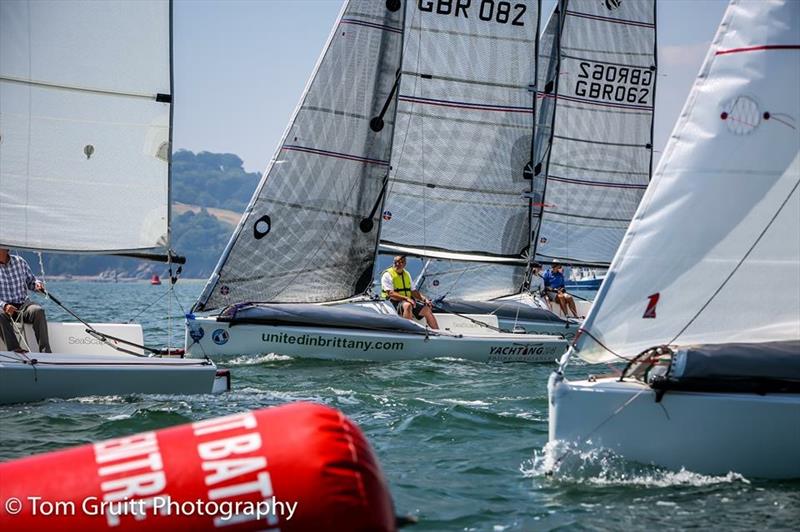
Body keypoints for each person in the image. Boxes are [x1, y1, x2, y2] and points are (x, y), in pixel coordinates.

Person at [0, 248, 51, 352]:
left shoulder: (20, 261)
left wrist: (37, 285)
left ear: (6, 249)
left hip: (23, 306)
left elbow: (31, 282)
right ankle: (15, 349)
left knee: (38, 311)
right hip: (4, 309)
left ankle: (46, 351)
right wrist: (4, 305)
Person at [380, 256, 439, 329]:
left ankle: (437, 332)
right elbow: (390, 293)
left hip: (407, 300)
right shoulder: (387, 275)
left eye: (401, 262)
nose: (397, 264)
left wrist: (424, 299)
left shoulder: (407, 274)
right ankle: (409, 331)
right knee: (407, 305)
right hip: (392, 302)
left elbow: (413, 291)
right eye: (396, 262)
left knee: (426, 309)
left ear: (405, 264)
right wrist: (407, 298)